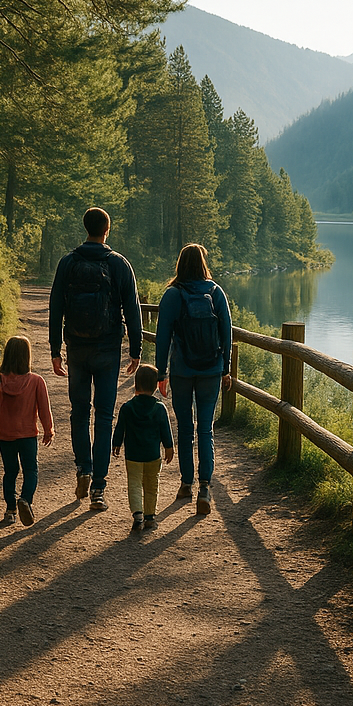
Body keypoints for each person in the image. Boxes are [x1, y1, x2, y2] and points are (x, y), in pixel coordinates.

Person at [49, 207, 143, 511]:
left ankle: (83, 469)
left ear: (85, 228)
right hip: (108, 350)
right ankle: (99, 487)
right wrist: (136, 350)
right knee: (104, 417)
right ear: (107, 230)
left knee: (79, 412)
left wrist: (54, 350)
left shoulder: (68, 263)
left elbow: (55, 307)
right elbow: (132, 308)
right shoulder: (118, 264)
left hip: (76, 348)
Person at [154, 243, 233, 516]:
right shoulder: (215, 292)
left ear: (180, 264)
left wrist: (161, 373)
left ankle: (186, 484)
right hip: (211, 370)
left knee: (186, 428)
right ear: (202, 263)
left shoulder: (173, 294)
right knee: (206, 428)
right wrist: (226, 368)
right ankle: (205, 488)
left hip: (182, 370)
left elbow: (163, 337)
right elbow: (227, 333)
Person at [0, 336, 54, 526]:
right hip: (28, 435)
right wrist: (48, 430)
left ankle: (10, 509)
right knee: (31, 470)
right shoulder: (37, 381)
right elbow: (44, 409)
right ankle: (25, 500)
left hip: (5, 436)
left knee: (10, 471)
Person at [111, 364, 175, 532]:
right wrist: (169, 447)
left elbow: (120, 429)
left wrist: (116, 444)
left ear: (136, 385)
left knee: (135, 484)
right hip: (153, 455)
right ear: (155, 387)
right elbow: (165, 431)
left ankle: (138, 516)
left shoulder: (127, 408)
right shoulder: (159, 408)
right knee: (151, 485)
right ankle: (150, 517)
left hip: (133, 455)